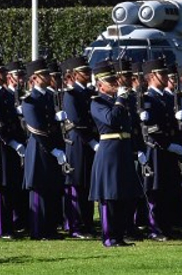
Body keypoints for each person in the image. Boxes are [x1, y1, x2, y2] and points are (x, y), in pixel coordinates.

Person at [88, 61, 145, 247]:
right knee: (110, 196)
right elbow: (111, 119)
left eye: (115, 79)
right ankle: (109, 237)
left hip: (124, 150)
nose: (114, 83)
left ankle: (120, 235)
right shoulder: (97, 102)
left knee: (123, 196)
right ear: (100, 84)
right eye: (110, 80)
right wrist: (120, 101)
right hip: (109, 151)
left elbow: (132, 126)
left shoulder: (121, 101)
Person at [139, 58, 182, 240]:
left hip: (170, 151)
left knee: (169, 188)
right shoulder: (147, 99)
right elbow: (151, 129)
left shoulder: (167, 97)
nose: (166, 76)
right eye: (162, 73)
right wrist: (169, 144)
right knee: (156, 190)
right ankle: (155, 228)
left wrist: (179, 144)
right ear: (152, 76)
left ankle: (167, 226)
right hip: (156, 150)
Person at [20, 59, 67, 239]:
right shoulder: (30, 101)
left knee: (52, 189)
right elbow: (37, 129)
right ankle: (39, 230)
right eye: (44, 75)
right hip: (39, 149)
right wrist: (54, 149)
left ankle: (50, 228)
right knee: (39, 190)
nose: (48, 77)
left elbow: (53, 127)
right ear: (34, 78)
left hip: (52, 148)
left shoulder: (49, 96)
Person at [60, 56, 97, 239]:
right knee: (77, 184)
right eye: (85, 72)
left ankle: (88, 223)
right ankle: (76, 226)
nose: (88, 74)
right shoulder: (71, 95)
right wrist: (91, 141)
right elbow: (77, 122)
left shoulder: (89, 93)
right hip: (78, 144)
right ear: (75, 75)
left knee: (88, 185)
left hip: (89, 143)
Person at [0, 63, 28, 238]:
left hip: (10, 147)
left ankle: (9, 226)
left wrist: (20, 141)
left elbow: (13, 123)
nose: (4, 74)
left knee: (10, 185)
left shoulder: (6, 94)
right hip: (2, 145)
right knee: (2, 187)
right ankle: (3, 227)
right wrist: (11, 142)